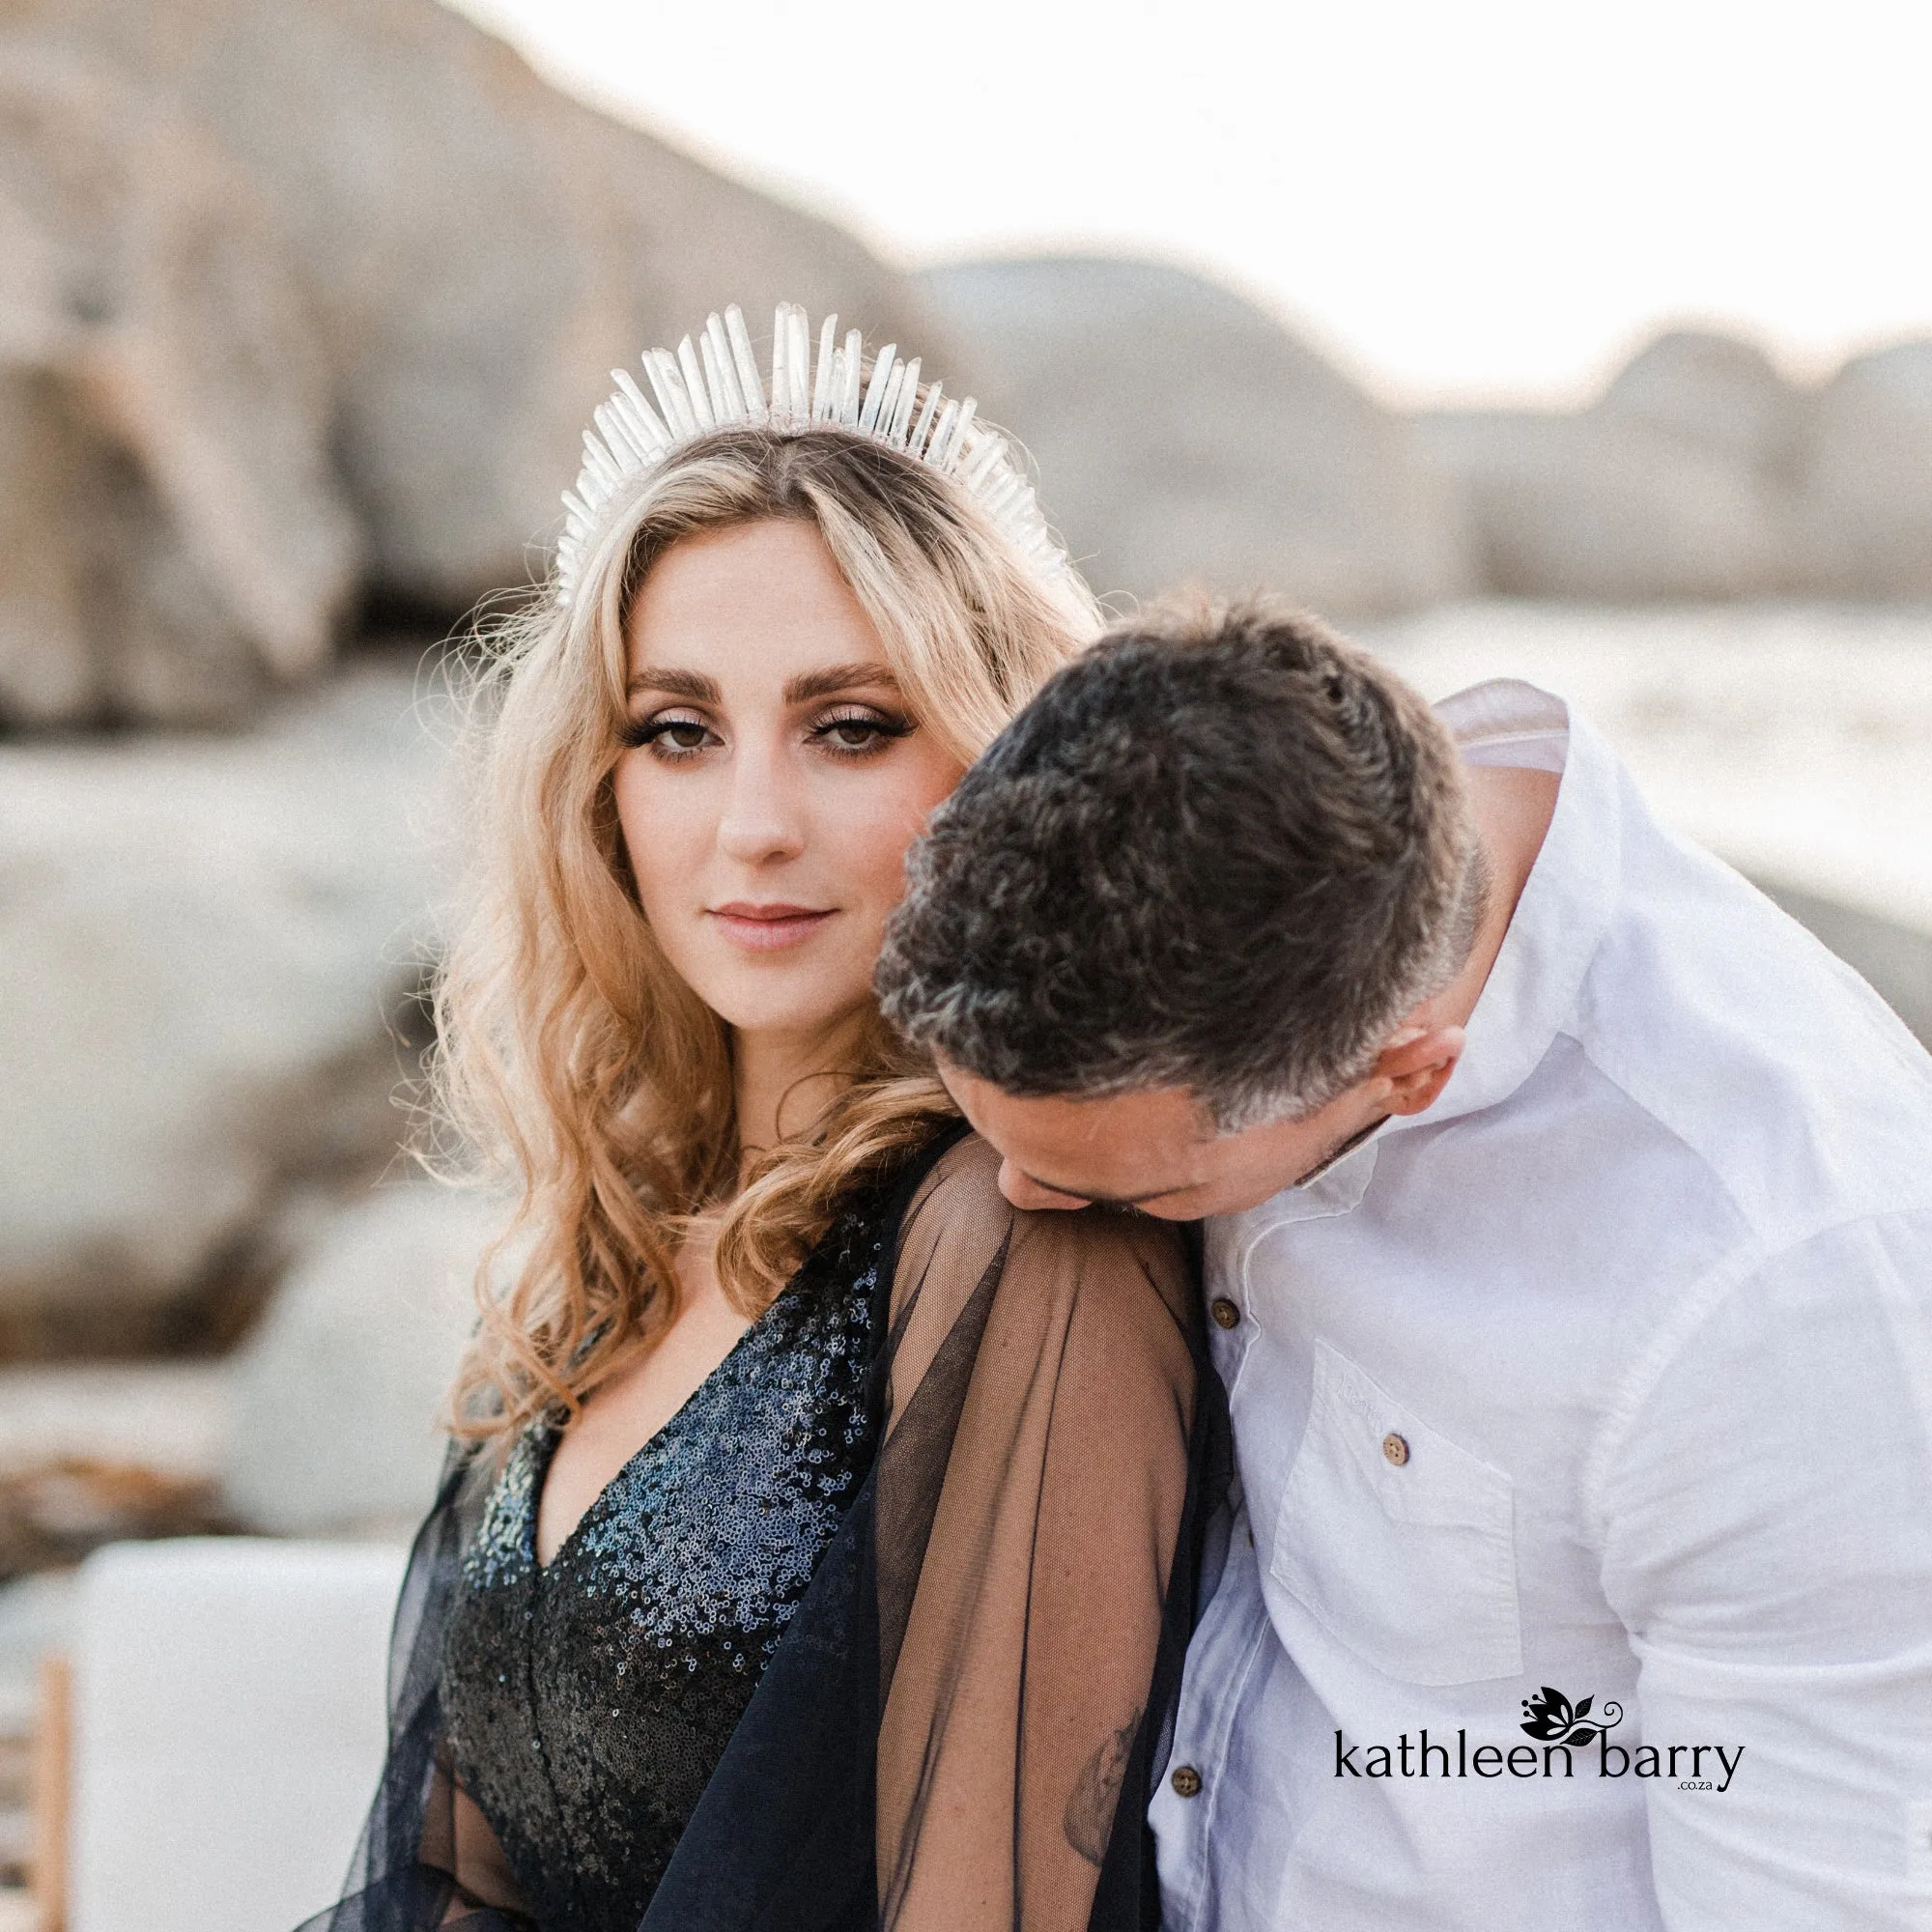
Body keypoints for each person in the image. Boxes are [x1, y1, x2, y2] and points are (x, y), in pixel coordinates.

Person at [308, 306, 1220, 1932]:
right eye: (678, 731)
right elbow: (462, 1876)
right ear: (598, 785)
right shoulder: (604, 1256)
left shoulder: (1018, 1242)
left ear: (998, 767)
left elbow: (993, 1906)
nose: (750, 826)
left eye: (852, 727)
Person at [876, 597, 1932, 1930]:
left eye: (1128, 1190)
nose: (1022, 1199)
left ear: (1407, 1074)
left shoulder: (1781, 1294)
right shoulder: (1266, 829)